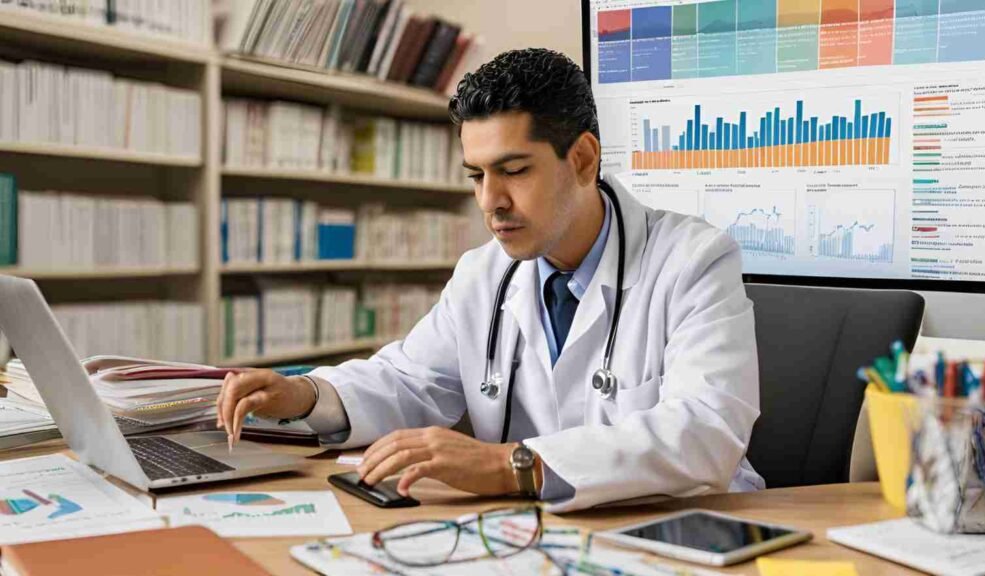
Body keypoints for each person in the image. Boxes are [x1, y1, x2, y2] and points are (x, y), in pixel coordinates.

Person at [216, 48, 763, 512]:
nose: (490, 203)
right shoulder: (485, 274)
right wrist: (306, 394)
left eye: (515, 171)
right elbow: (411, 380)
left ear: (583, 159)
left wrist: (510, 464)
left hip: (684, 528)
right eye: (477, 176)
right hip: (537, 531)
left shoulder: (692, 259)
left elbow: (705, 430)